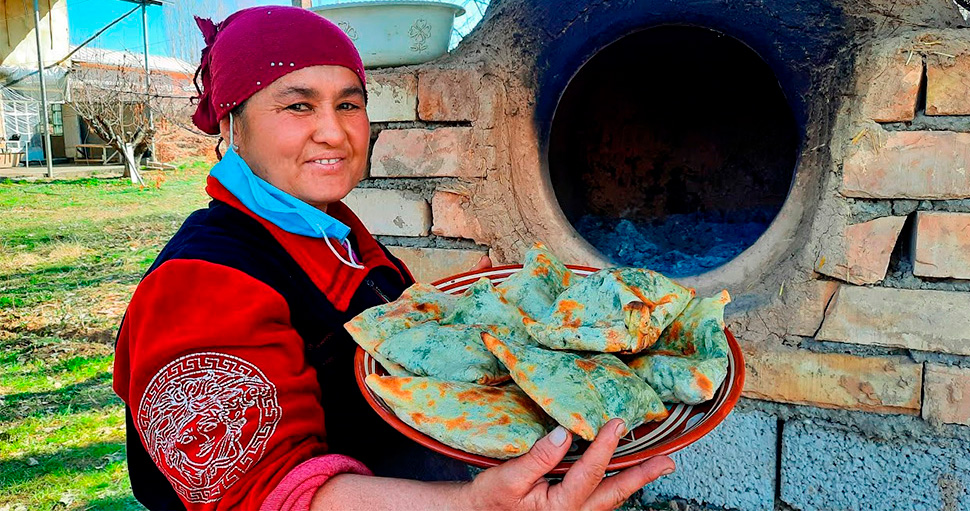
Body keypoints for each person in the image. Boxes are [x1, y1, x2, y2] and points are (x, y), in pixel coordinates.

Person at [112, 6, 676, 511]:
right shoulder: (200, 286)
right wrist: (471, 506)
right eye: (298, 105)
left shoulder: (334, 232)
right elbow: (266, 495)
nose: (333, 132)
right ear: (232, 125)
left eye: (348, 104)